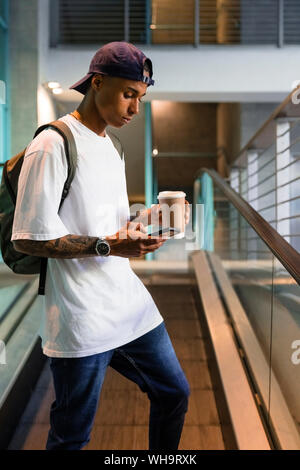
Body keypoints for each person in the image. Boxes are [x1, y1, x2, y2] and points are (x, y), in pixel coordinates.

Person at [11, 41, 190, 451]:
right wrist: (109, 246)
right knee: (72, 436)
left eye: (141, 98)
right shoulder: (52, 144)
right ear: (97, 83)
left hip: (129, 307)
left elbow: (103, 222)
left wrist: (141, 224)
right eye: (129, 95)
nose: (135, 109)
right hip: (81, 318)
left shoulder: (112, 147)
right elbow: (28, 237)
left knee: (173, 394)